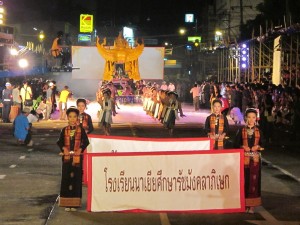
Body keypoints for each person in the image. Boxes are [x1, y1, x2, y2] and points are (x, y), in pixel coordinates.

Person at [56, 108, 90, 211]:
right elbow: (60, 142)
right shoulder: (64, 129)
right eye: (70, 117)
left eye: (74, 117)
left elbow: (86, 142)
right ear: (67, 117)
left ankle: (75, 204)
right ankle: (67, 204)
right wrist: (64, 149)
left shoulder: (81, 130)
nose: (72, 119)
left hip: (77, 159)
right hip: (66, 159)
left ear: (77, 118)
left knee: (76, 179)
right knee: (66, 178)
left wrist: (80, 149)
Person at [235, 108, 264, 214]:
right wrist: (243, 146)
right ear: (246, 118)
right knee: (244, 182)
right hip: (244, 161)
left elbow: (263, 144)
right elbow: (235, 144)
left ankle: (252, 205)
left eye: (253, 117)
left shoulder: (259, 131)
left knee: (254, 182)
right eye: (249, 117)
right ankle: (244, 204)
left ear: (256, 119)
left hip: (255, 161)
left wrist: (258, 146)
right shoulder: (241, 130)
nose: (251, 119)